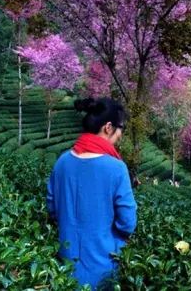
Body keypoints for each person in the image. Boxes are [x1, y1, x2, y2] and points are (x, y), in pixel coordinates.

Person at [47, 97, 137, 289]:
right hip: (103, 267)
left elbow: (52, 209)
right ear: (108, 127)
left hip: (65, 265)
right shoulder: (116, 168)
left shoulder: (62, 162)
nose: (121, 135)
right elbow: (127, 222)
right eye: (122, 128)